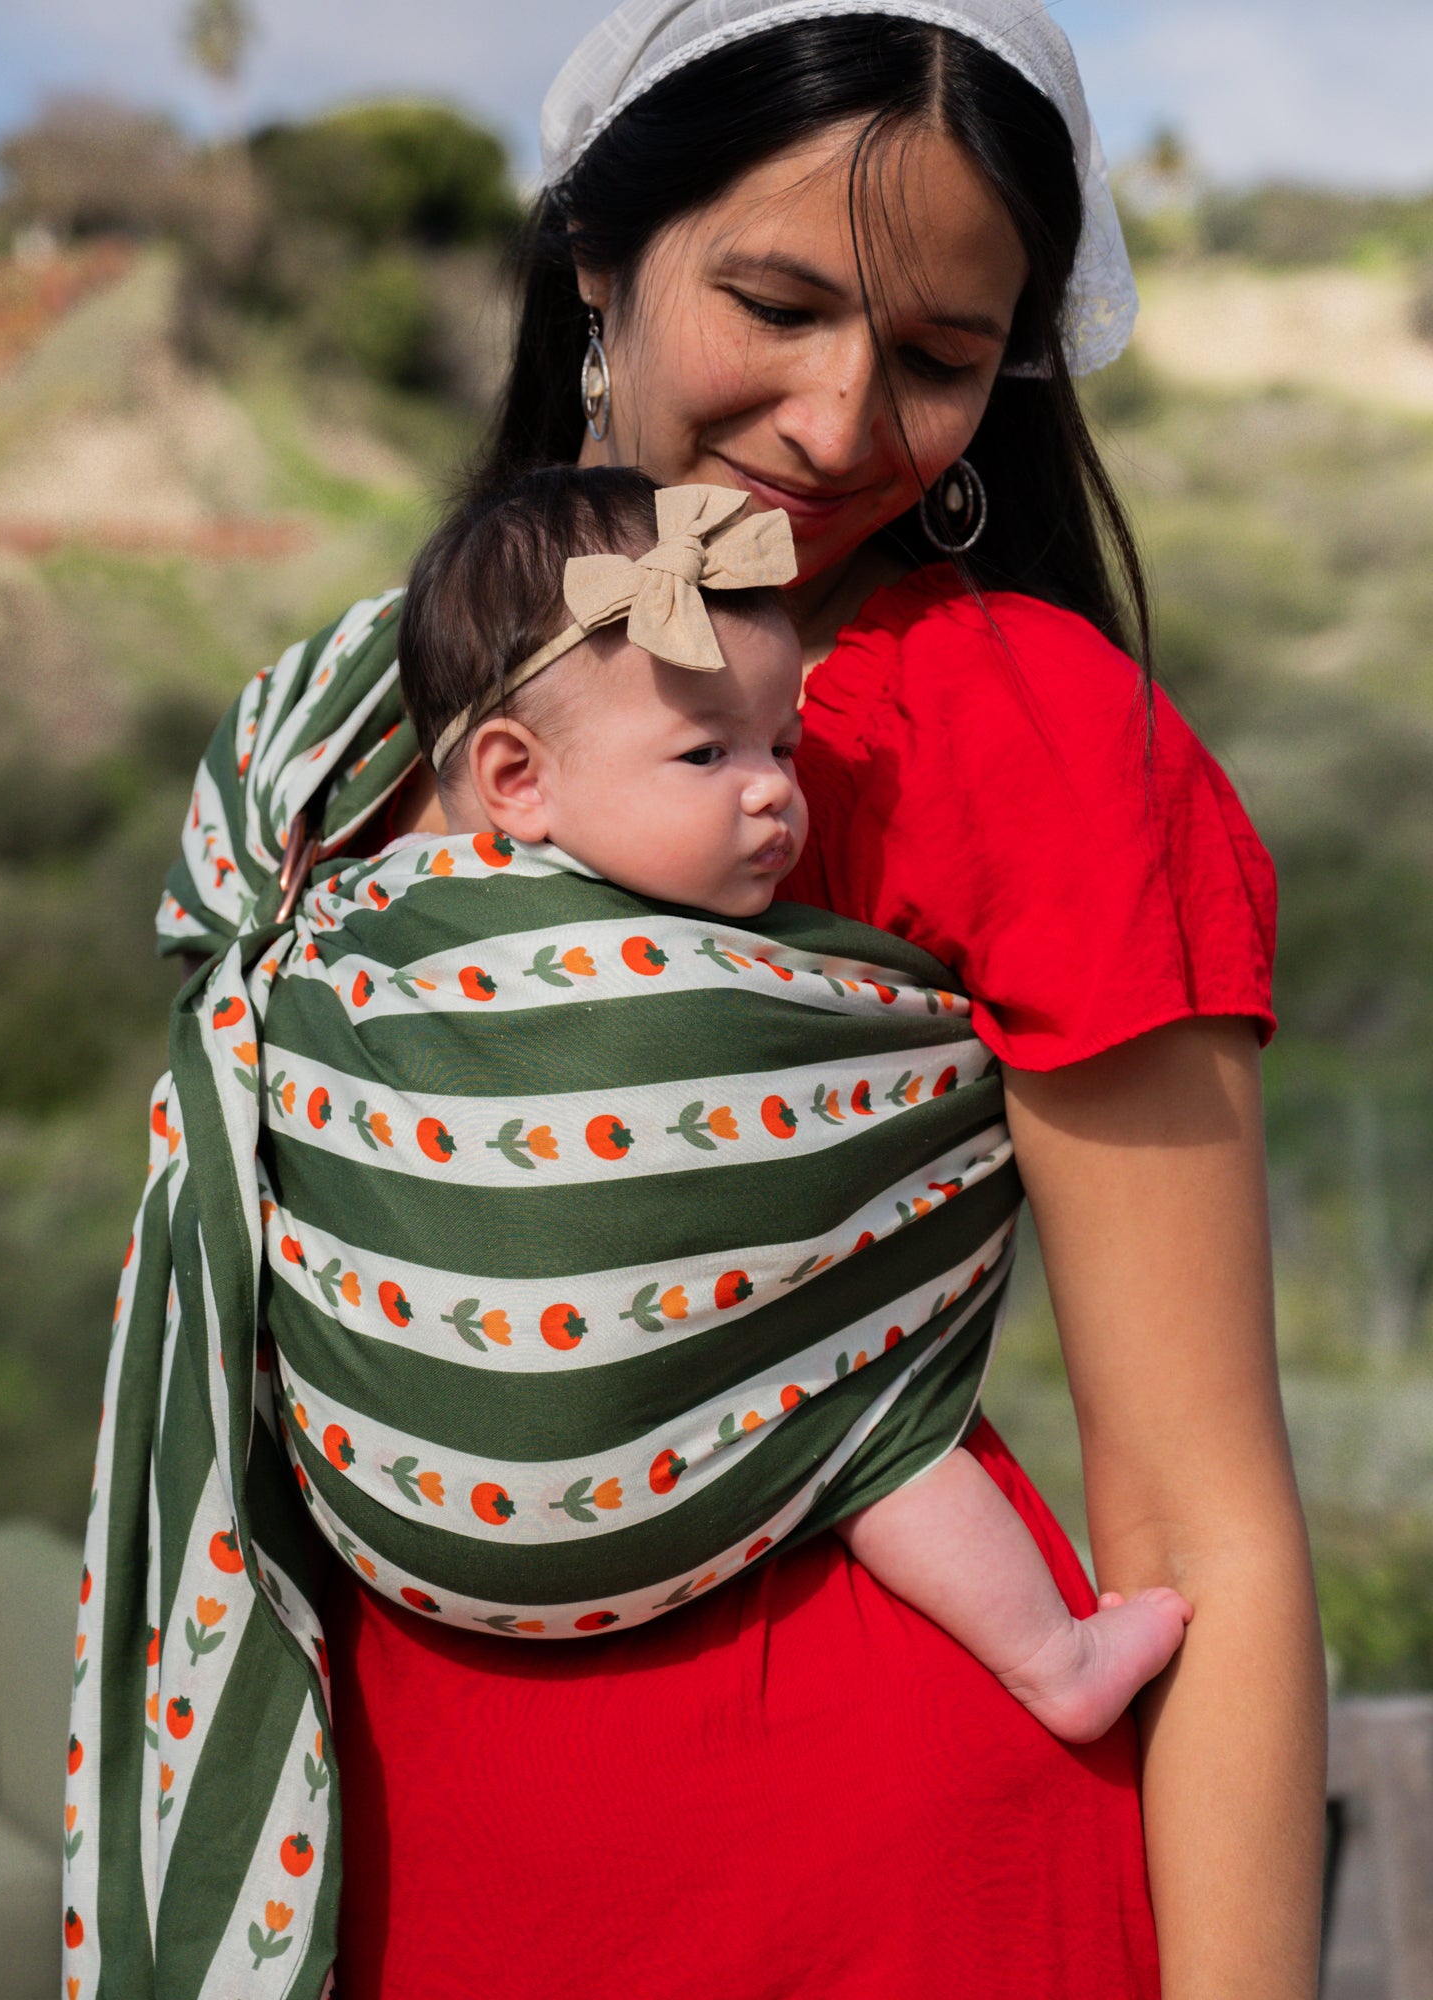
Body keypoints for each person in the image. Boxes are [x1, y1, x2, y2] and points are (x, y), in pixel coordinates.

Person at [72, 4, 1326, 1996]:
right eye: (776, 300)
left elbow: (1200, 1524)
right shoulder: (358, 717)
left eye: (935, 357)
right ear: (593, 254)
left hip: (876, 1890)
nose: (841, 423)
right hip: (383, 1872)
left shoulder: (1014, 730)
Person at [402, 460, 1193, 1745]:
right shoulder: (443, 932)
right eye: (705, 750)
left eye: (780, 741)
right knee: (865, 1420)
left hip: (450, 1547)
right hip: (480, 1439)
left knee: (826, 1366)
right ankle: (1052, 1654)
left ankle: (1054, 1658)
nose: (771, 787)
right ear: (516, 779)